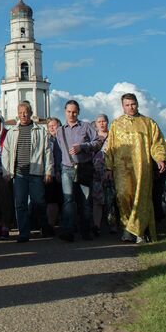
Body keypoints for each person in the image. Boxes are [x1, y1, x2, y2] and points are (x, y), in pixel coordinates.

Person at [105, 93, 166, 243]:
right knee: (122, 196)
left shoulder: (148, 123)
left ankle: (137, 231)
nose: (130, 107)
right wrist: (108, 168)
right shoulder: (116, 124)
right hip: (121, 168)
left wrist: (159, 158)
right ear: (123, 106)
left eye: (133, 104)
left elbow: (157, 143)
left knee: (141, 198)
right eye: (127, 105)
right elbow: (111, 147)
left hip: (142, 167)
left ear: (137, 104)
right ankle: (128, 226)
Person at [1, 101, 54, 242]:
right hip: (18, 173)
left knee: (39, 202)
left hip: (35, 172)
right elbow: (5, 152)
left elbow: (47, 152)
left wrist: (49, 170)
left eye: (25, 112)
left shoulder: (40, 131)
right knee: (20, 203)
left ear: (30, 113)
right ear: (17, 115)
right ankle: (24, 233)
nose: (23, 115)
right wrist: (6, 171)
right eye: (20, 113)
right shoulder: (12, 132)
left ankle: (44, 226)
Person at [55, 100, 103, 242]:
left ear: (78, 112)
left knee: (85, 201)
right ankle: (68, 231)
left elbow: (98, 143)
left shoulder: (86, 127)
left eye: (74, 112)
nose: (71, 114)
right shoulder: (60, 130)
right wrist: (57, 169)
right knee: (68, 200)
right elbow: (57, 151)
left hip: (83, 167)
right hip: (66, 168)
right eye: (69, 111)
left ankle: (86, 231)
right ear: (65, 111)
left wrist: (83, 147)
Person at [91, 115, 111, 235]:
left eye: (104, 121)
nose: (102, 124)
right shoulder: (93, 137)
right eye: (99, 122)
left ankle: (112, 225)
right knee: (97, 200)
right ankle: (96, 226)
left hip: (110, 171)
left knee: (110, 200)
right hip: (96, 173)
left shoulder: (113, 136)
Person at [44, 118, 64, 235]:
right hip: (50, 173)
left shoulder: (63, 139)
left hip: (63, 171)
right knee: (51, 200)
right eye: (50, 126)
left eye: (54, 125)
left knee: (65, 200)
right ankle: (50, 225)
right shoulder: (46, 140)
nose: (52, 128)